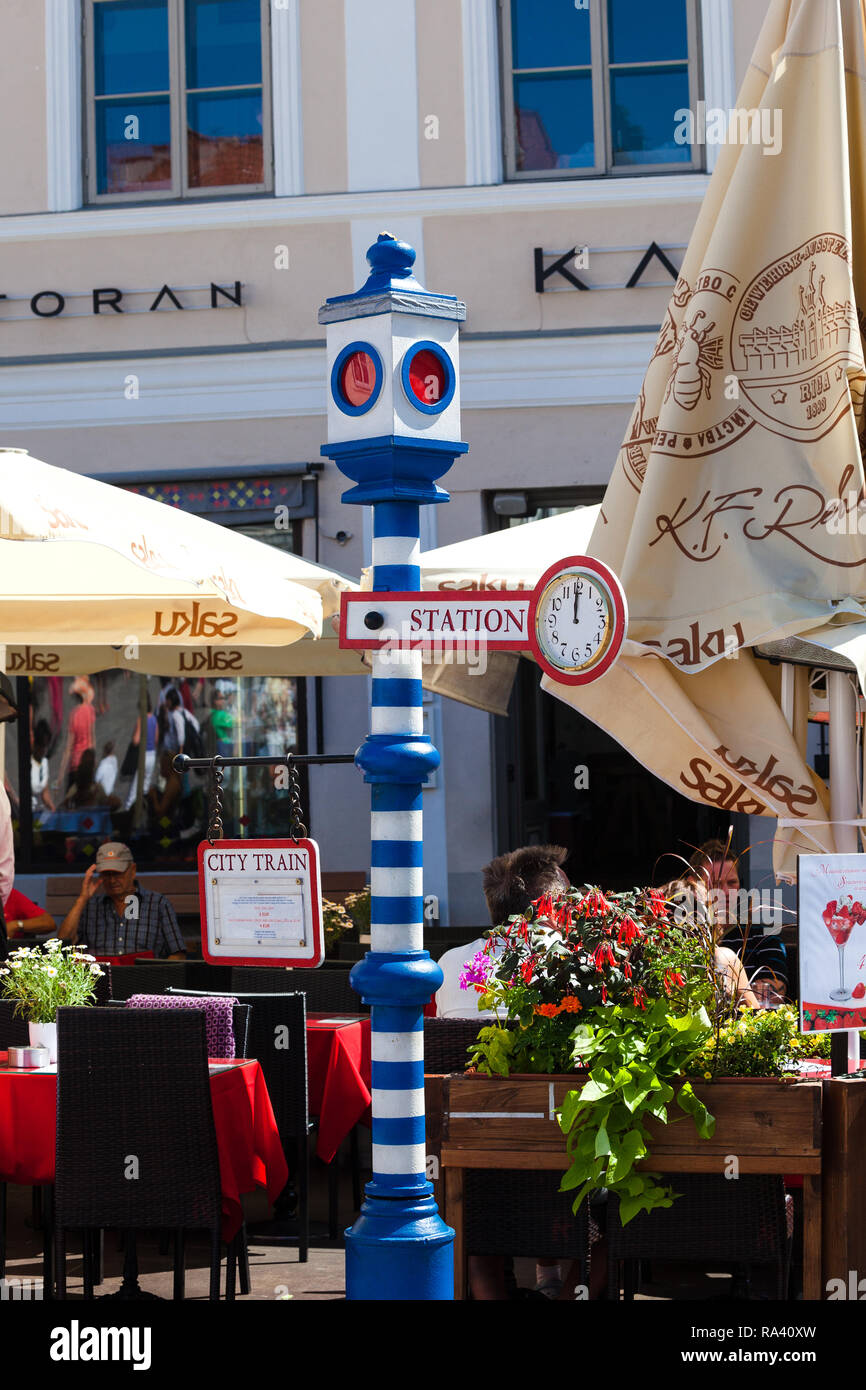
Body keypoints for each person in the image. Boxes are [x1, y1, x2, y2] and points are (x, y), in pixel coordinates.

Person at [436, 844, 570, 1018]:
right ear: (552, 907)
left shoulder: (447, 963)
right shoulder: (574, 961)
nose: (574, 910)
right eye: (570, 901)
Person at [688, 838, 788, 999]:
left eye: (732, 882)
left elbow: (774, 994)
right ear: (693, 885)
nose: (727, 892)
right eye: (716, 884)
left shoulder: (763, 936)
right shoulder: (684, 935)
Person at [57, 841, 186, 959]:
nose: (112, 880)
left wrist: (159, 974)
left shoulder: (158, 904)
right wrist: (82, 899)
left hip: (145, 975)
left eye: (118, 873)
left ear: (133, 870)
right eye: (106, 874)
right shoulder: (89, 906)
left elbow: (178, 954)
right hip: (99, 976)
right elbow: (62, 944)